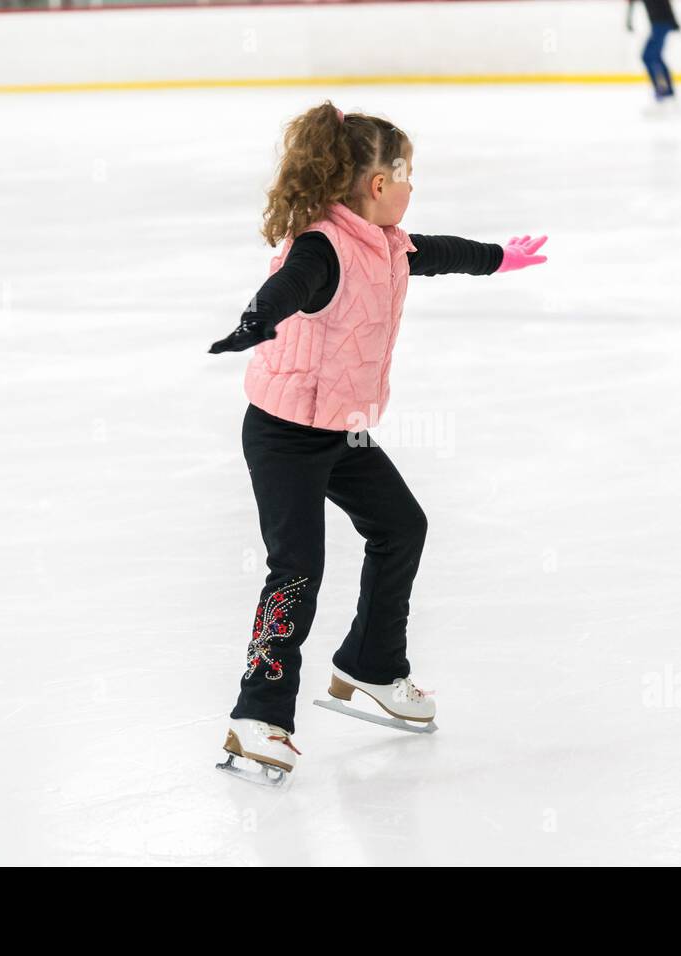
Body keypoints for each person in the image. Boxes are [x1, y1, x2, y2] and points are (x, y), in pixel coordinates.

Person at [208, 101, 548, 784]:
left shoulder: (385, 243)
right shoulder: (324, 245)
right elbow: (290, 285)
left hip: (336, 428)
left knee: (401, 526)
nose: (414, 187)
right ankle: (257, 714)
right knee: (297, 568)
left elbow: (443, 252)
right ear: (376, 184)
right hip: (284, 433)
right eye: (408, 175)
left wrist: (498, 259)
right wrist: (258, 319)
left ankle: (371, 663)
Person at [627, 0, 681, 107]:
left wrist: (674, 22)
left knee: (648, 56)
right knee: (655, 56)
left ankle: (662, 88)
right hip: (659, 24)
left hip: (662, 24)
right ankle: (667, 89)